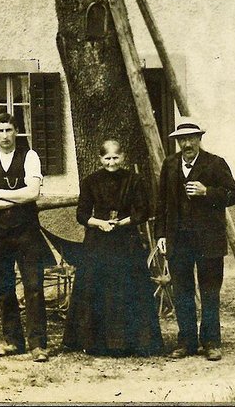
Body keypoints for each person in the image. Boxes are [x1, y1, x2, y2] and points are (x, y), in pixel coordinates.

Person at [62, 140, 165, 357]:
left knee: (127, 288)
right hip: (97, 244)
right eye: (107, 158)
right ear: (100, 159)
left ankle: (132, 342)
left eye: (115, 158)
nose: (111, 163)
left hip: (126, 243)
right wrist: (99, 223)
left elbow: (143, 211)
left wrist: (123, 222)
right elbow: (81, 214)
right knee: (96, 289)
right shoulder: (90, 182)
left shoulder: (134, 181)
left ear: (123, 157)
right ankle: (95, 342)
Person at [153, 120, 235, 361]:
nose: (187, 143)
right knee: (182, 292)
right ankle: (187, 342)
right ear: (178, 142)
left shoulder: (215, 164)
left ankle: (211, 342)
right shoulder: (170, 165)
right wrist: (160, 234)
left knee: (210, 291)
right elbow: (161, 203)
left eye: (192, 138)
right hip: (178, 240)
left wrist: (207, 192)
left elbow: (234, 194)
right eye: (182, 140)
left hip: (208, 241)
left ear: (199, 139)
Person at [0, 112, 52, 362]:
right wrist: (13, 198)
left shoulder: (30, 157)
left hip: (26, 231)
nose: (5, 136)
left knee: (34, 287)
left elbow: (33, 194)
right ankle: (13, 341)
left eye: (9, 130)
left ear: (17, 131)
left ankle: (38, 344)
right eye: (0, 131)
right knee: (4, 288)